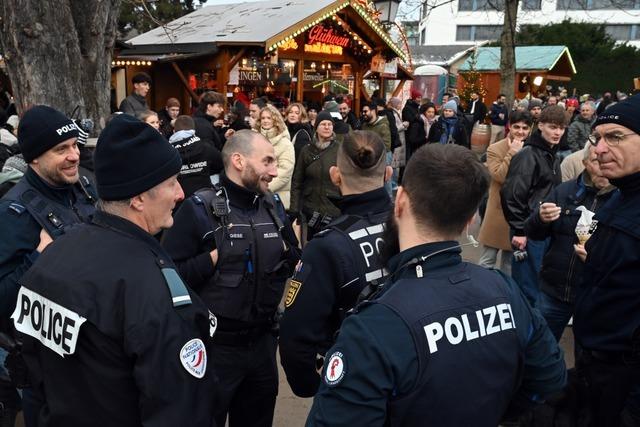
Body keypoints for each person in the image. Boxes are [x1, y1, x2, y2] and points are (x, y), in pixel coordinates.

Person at [306, 143, 567, 426]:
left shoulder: (373, 326)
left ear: (400, 200)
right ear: (470, 221)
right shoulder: (504, 290)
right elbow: (549, 378)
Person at [13, 113, 217, 426]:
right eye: (172, 183)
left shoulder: (54, 255)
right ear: (138, 198)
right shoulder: (153, 287)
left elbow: (33, 372)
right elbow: (179, 407)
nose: (180, 194)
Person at [162, 129, 301, 427]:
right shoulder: (198, 208)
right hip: (215, 350)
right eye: (267, 161)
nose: (274, 171)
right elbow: (168, 276)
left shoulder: (273, 206)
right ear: (238, 160)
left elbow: (294, 257)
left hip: (263, 345)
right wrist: (212, 259)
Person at [0, 105, 97, 426]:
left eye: (74, 145)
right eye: (61, 149)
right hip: (47, 371)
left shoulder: (84, 188)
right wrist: (39, 255)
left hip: (95, 356)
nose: (74, 155)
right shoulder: (14, 211)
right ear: (34, 159)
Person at [280, 131, 393, 397]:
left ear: (335, 175)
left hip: (353, 381)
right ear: (388, 173)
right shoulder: (411, 225)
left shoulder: (326, 246)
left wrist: (312, 387)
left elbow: (295, 335)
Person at [573, 94, 640, 426]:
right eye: (596, 138)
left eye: (615, 137)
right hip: (596, 370)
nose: (598, 149)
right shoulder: (617, 197)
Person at [524, 144, 614, 341]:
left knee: (589, 353)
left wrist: (595, 258)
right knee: (539, 345)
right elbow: (534, 233)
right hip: (553, 291)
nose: (602, 168)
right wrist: (540, 218)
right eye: (596, 162)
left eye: (607, 163)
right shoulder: (564, 191)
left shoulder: (623, 200)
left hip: (594, 296)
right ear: (584, 163)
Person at [501, 105, 566, 305]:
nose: (557, 132)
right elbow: (512, 194)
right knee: (526, 287)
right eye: (553, 127)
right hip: (528, 229)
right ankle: (521, 331)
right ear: (540, 126)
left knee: (535, 284)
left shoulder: (551, 154)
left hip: (542, 227)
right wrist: (520, 230)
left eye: (561, 128)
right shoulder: (528, 154)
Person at [478, 111, 532, 274]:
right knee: (487, 261)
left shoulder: (532, 149)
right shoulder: (495, 148)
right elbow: (499, 175)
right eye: (516, 127)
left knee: (509, 265)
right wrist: (512, 153)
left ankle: (504, 295)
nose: (520, 131)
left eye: (525, 128)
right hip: (498, 212)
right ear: (509, 126)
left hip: (520, 214)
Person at [290, 111, 341, 241]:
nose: (327, 127)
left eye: (330, 124)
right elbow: (297, 181)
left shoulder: (340, 150)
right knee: (313, 244)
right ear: (316, 128)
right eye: (323, 124)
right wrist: (294, 209)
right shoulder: (306, 150)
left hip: (333, 209)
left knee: (332, 244)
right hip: (311, 209)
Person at [169, 115, 223, 198]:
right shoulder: (205, 147)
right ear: (194, 131)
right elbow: (221, 164)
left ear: (174, 131)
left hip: (178, 200)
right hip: (204, 199)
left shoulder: (168, 151)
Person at [255, 104, 295, 209]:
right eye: (263, 118)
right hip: (255, 195)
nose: (265, 120)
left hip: (278, 197)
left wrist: (263, 188)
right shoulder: (253, 140)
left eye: (269, 118)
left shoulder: (285, 143)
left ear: (275, 120)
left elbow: (285, 172)